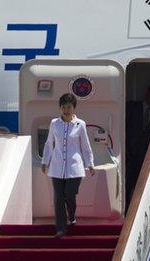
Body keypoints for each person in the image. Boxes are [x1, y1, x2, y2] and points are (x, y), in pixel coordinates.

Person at [41, 93, 95, 238]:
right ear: (60, 108)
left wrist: (90, 163)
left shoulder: (80, 124)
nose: (66, 110)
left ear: (74, 108)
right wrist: (45, 161)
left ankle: (71, 216)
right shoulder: (54, 123)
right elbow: (49, 144)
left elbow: (85, 146)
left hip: (74, 168)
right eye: (63, 107)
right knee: (58, 198)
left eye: (69, 107)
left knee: (70, 195)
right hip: (57, 168)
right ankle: (60, 229)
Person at [125, 83, 150, 213]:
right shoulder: (132, 107)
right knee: (126, 185)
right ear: (148, 93)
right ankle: (124, 211)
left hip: (144, 157)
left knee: (140, 187)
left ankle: (135, 213)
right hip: (128, 155)